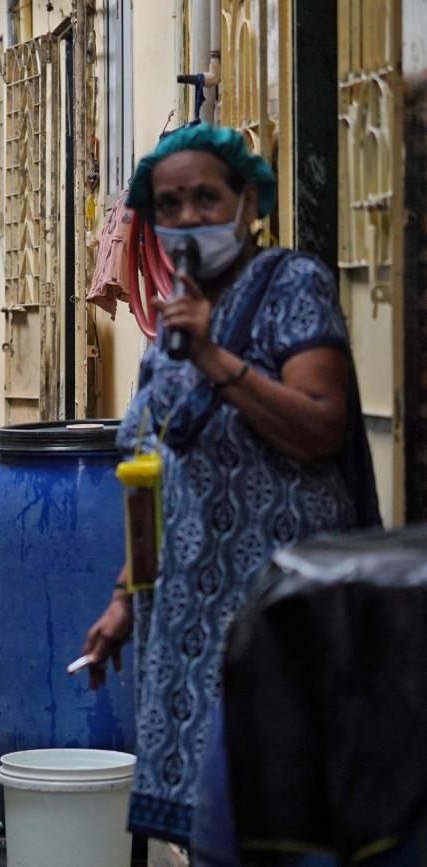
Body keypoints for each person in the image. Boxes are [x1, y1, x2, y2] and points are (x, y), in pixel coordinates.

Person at [80, 125, 380, 847]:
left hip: (279, 616)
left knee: (284, 817)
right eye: (169, 204)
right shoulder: (165, 333)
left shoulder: (291, 287)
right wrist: (125, 595)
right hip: (183, 621)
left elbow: (321, 425)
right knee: (207, 824)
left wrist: (216, 357)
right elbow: (151, 478)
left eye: (205, 198)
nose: (187, 218)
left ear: (247, 203)